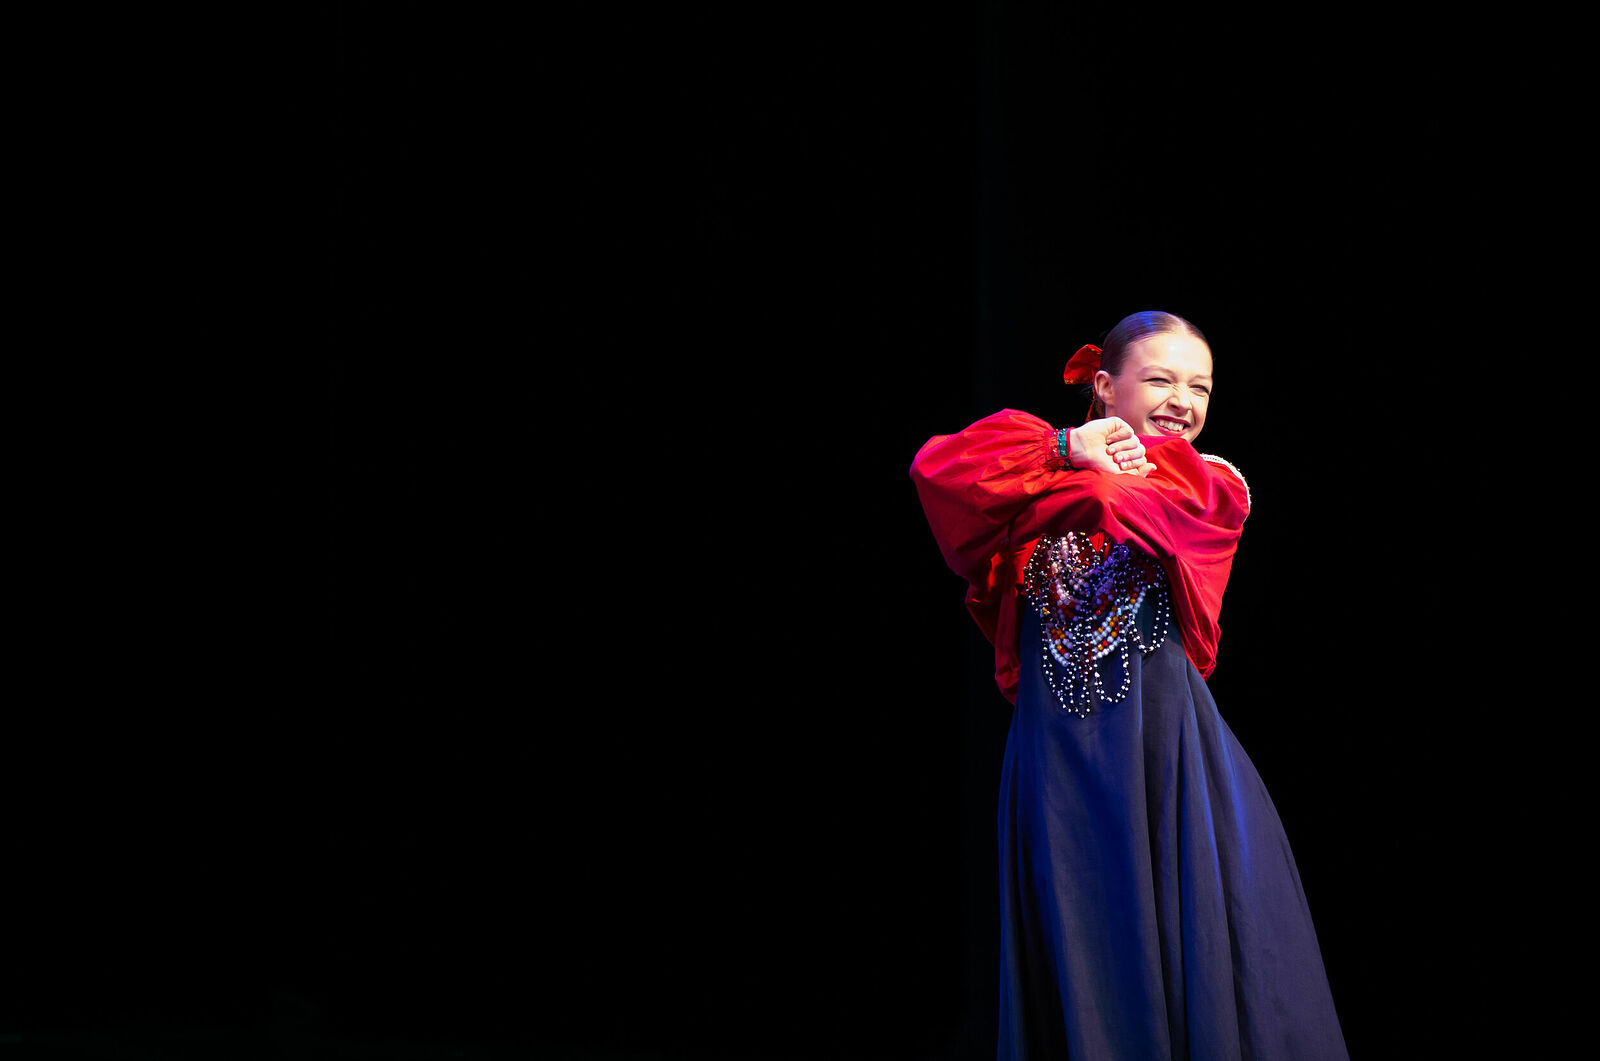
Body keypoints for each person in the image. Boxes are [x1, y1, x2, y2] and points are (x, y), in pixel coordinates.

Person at [910, 311, 1348, 1060]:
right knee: (1075, 944)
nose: (1183, 400)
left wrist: (1047, 480)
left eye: (1200, 387)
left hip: (1158, 753)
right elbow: (938, 472)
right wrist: (1062, 447)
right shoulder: (1046, 458)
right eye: (1162, 379)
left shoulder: (1212, 483)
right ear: (1107, 386)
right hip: (1054, 760)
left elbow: (1118, 506)